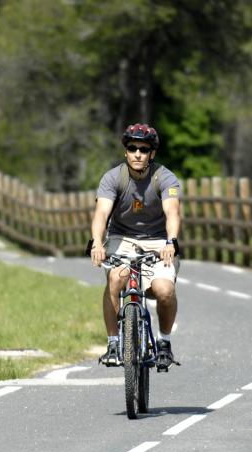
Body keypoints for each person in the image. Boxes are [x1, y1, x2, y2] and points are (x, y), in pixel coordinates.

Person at [89, 123, 182, 372]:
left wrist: (171, 241)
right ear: (126, 152)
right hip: (122, 238)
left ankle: (164, 343)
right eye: (132, 148)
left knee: (164, 290)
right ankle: (113, 343)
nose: (138, 154)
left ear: (152, 153)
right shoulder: (113, 178)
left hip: (158, 240)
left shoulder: (165, 177)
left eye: (144, 149)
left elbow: (172, 212)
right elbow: (101, 213)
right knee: (115, 280)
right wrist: (97, 242)